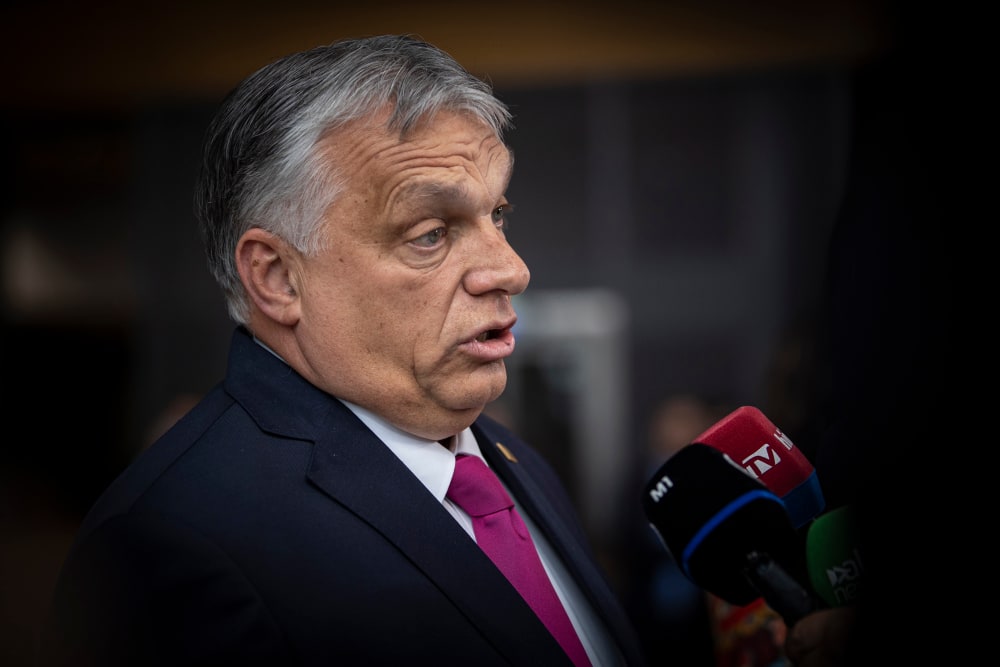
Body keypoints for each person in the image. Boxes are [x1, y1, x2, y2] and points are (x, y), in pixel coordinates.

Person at [35, 35, 648, 666]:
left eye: (498, 215)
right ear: (277, 278)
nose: (511, 269)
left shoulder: (517, 465)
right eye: (431, 233)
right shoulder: (172, 544)